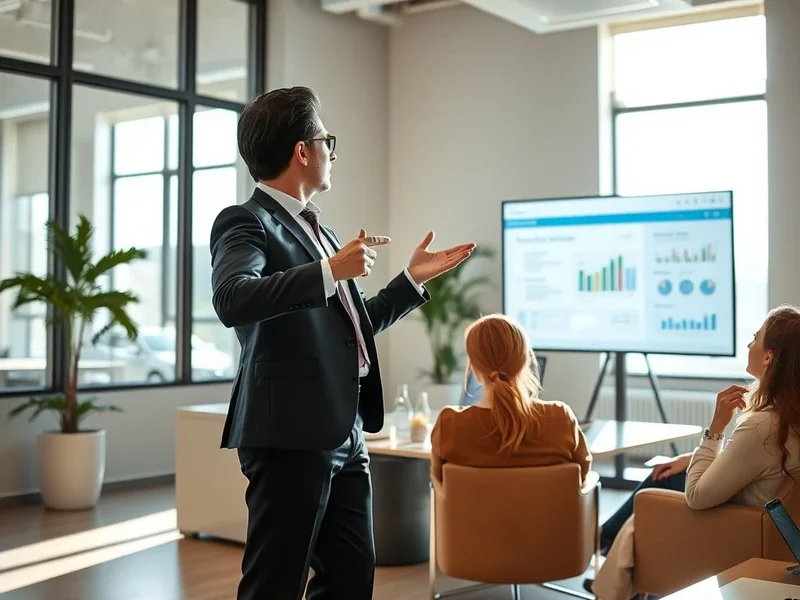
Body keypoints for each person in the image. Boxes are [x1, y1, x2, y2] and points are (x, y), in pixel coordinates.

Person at [209, 86, 476, 600]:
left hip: (345, 427)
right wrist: (329, 270)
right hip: (289, 432)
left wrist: (410, 281)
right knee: (275, 583)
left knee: (351, 577)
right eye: (327, 141)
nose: (333, 152)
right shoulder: (246, 221)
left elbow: (352, 327)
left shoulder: (323, 233)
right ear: (302, 151)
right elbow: (232, 298)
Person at [590, 305, 800, 600]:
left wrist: (716, 426)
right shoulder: (788, 418)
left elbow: (697, 496)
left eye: (755, 338)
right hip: (766, 527)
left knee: (657, 487)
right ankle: (606, 542)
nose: (748, 344)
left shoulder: (763, 425)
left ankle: (604, 543)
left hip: (733, 528)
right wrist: (693, 459)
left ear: (768, 356)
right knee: (670, 472)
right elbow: (753, 465)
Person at [430, 314, 591, 484]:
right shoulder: (560, 418)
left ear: (474, 369)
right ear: (524, 361)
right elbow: (582, 475)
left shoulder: (449, 424)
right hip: (545, 503)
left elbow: (439, 481)